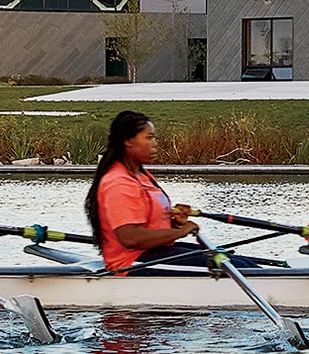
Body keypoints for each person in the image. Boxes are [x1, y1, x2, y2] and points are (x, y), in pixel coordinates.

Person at [86, 110, 260, 275]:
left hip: (153, 252)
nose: (156, 143)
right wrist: (180, 232)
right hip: (131, 263)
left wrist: (173, 222)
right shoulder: (118, 182)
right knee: (237, 267)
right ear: (128, 141)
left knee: (241, 262)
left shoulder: (142, 175)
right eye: (149, 138)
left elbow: (147, 224)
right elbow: (130, 238)